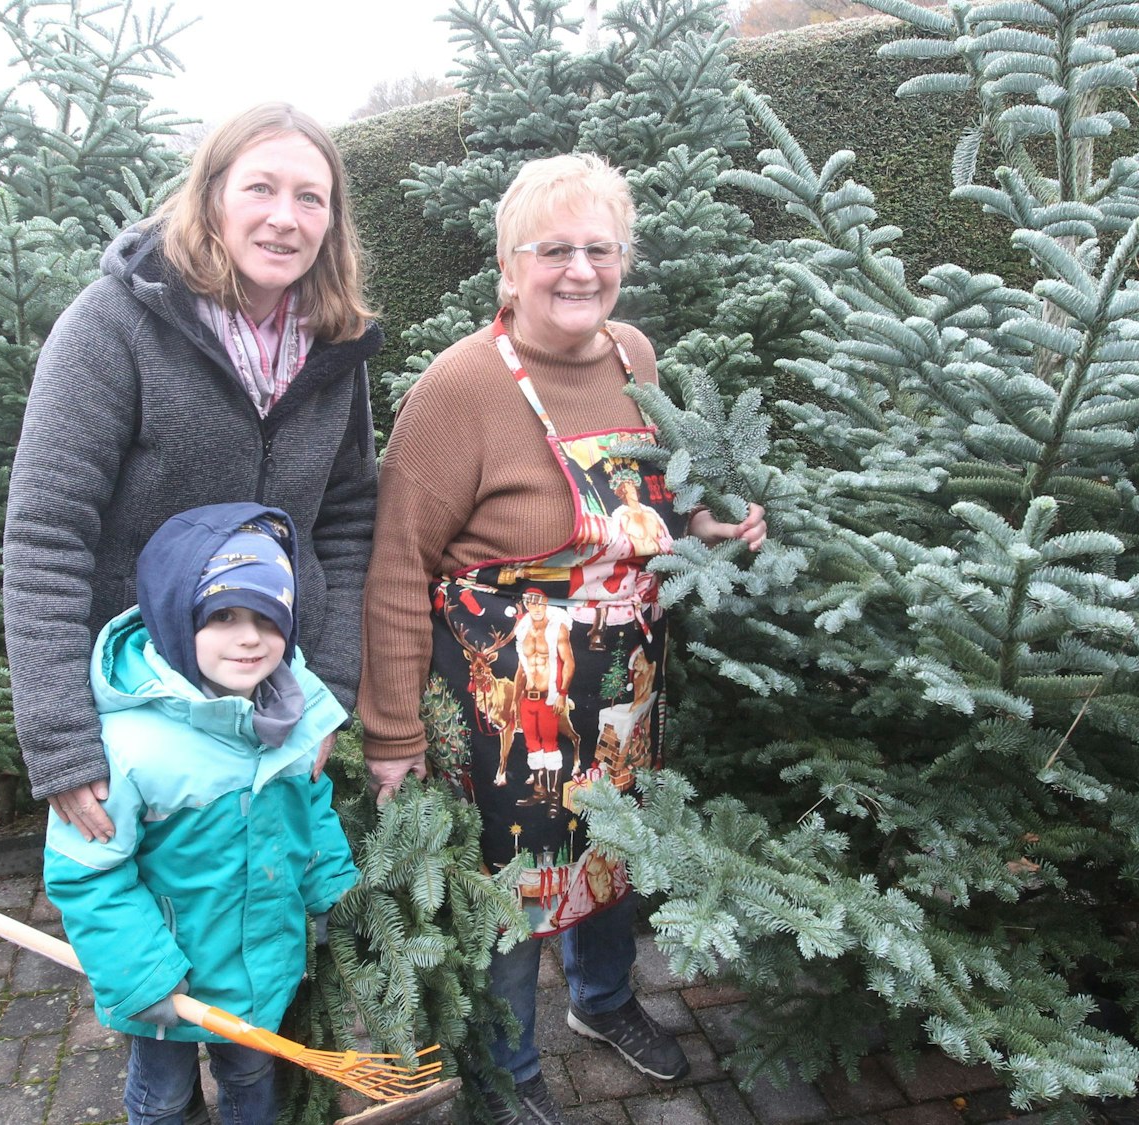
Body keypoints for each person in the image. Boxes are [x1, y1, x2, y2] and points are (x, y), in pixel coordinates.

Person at [357, 153, 767, 1125]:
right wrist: (390, 736)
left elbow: (650, 493)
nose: (579, 269)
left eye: (599, 248)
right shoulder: (458, 389)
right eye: (554, 250)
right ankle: (506, 1072)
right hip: (508, 699)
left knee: (609, 851)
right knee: (510, 889)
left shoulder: (634, 356)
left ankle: (602, 1001)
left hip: (622, 679)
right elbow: (393, 566)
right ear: (508, 266)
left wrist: (702, 525)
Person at [5, 102, 382, 843]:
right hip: (141, 712)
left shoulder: (335, 351)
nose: (286, 217)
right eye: (260, 189)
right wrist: (61, 743)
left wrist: (325, 693)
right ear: (211, 197)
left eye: (311, 198)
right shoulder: (113, 325)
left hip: (273, 695)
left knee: (261, 912)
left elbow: (345, 523)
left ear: (331, 223)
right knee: (149, 925)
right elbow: (47, 534)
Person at [44, 503, 359, 1125]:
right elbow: (87, 873)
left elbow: (311, 806)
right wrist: (144, 974)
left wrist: (333, 894)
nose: (250, 638)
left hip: (262, 963)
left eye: (269, 619)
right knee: (161, 1096)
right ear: (173, 616)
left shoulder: (295, 712)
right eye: (223, 616)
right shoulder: (131, 749)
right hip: (170, 974)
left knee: (252, 1075)